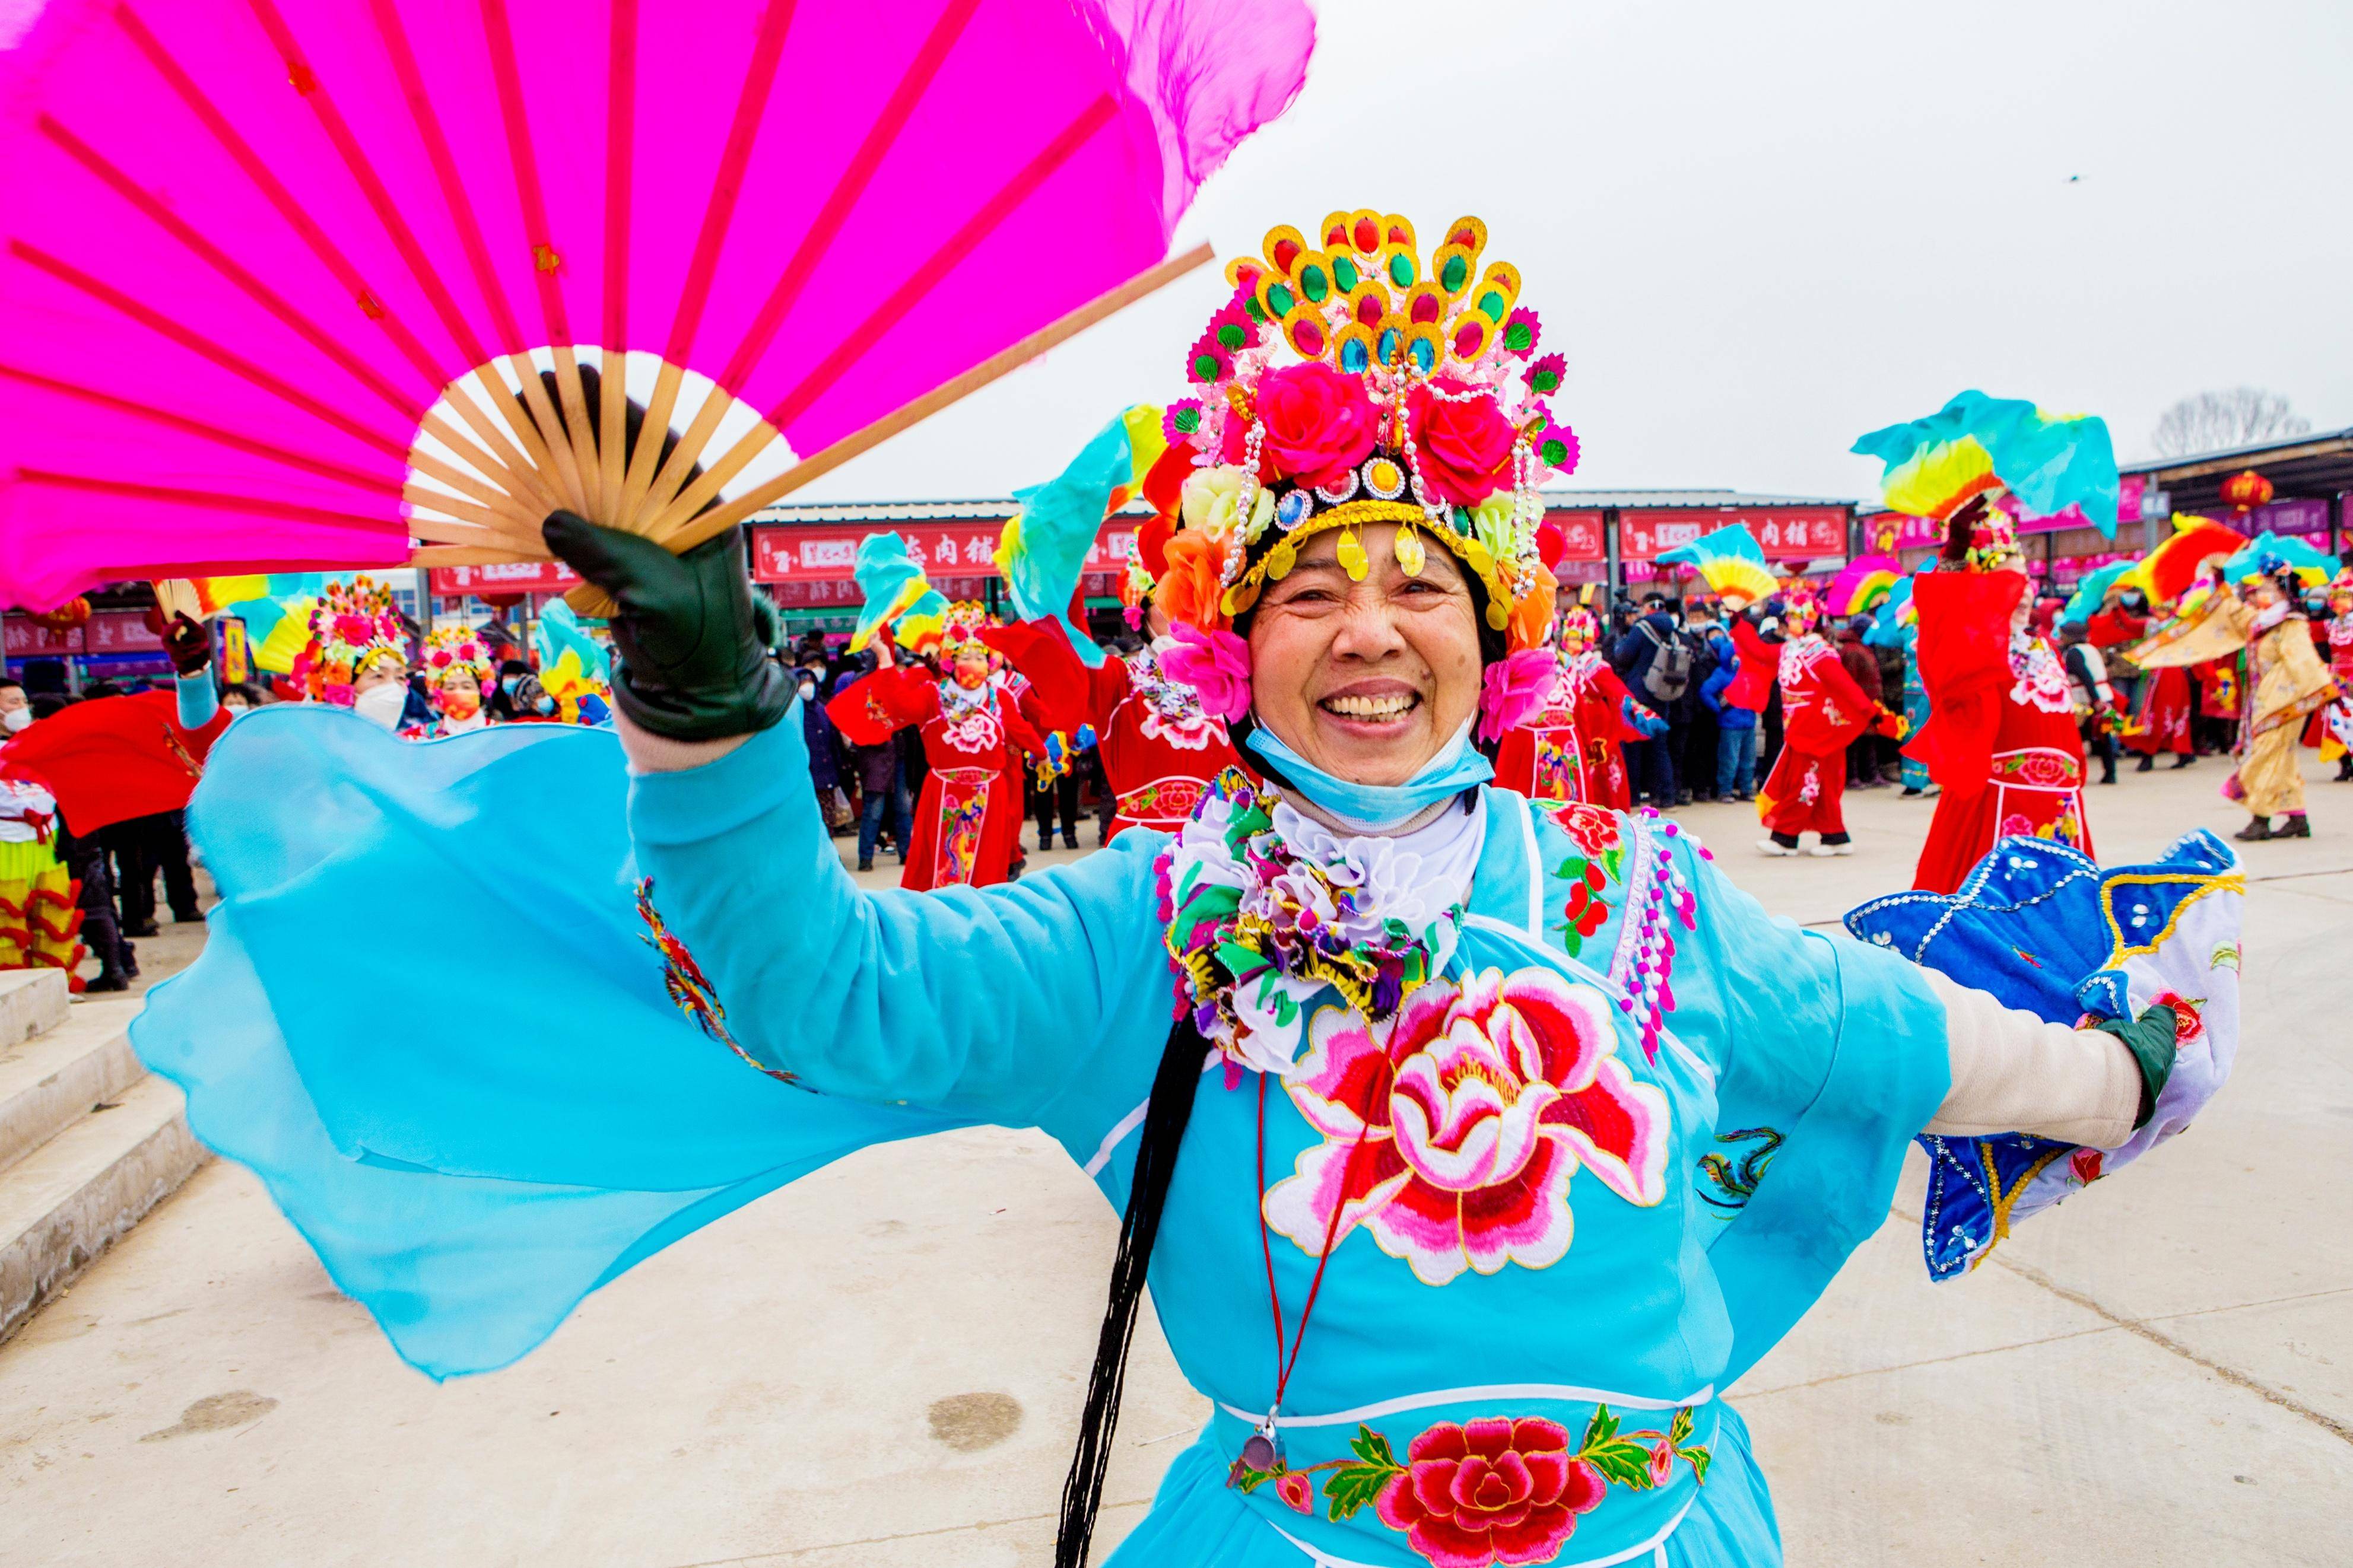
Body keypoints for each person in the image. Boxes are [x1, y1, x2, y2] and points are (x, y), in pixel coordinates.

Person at [136, 213, 2222, 1568]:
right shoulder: (1145, 917)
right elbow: (820, 991)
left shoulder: (1632, 891)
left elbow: (1898, 1037)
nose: (1373, 628)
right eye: (1310, 589)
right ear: (1231, 650)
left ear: (1495, 633)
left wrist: (2111, 1078)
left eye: (1423, 585)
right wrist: (705, 697)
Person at [1907, 499, 2095, 893]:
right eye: (2005, 583)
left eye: (2025, 580)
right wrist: (1955, 556)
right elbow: (1941, 619)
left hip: (2060, 802)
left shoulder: (2044, 644)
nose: (2022, 593)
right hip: (1998, 801)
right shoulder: (1973, 648)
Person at [827, 605, 1044, 890]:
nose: (974, 663)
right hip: (945, 792)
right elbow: (900, 705)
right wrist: (884, 658)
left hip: (990, 794)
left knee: (987, 865)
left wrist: (1042, 754)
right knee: (942, 865)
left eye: (981, 657)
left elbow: (1021, 730)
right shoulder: (934, 695)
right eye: (966, 656)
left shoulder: (1000, 698)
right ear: (951, 661)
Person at [2130, 551, 2338, 842]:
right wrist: (2219, 580)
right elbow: (2235, 613)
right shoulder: (2262, 621)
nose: (2259, 593)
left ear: (2282, 591)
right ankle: (2296, 817)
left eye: (2266, 588)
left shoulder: (2291, 624)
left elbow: (2302, 661)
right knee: (2282, 759)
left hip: (2284, 700)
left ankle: (2261, 818)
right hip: (2265, 700)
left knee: (2265, 758)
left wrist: (2323, 689)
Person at [1754, 590, 1894, 855]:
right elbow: (1760, 653)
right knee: (1823, 785)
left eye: (1796, 617)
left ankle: (1785, 837)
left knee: (1802, 783)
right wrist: (1738, 622)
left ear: (1810, 620)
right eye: (1790, 616)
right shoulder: (1790, 649)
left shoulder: (1821, 653)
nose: (1789, 622)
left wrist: (1872, 713)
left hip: (1818, 730)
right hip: (1800, 727)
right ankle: (1835, 836)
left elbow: (1847, 688)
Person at [1492, 606, 1654, 809]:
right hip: (1565, 726)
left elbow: (1614, 691)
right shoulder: (1561, 666)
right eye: (1570, 638)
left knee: (1596, 773)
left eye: (1578, 639)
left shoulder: (1590, 664)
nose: (1573, 644)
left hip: (1590, 723)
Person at [1611, 594, 1689, 807]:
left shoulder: (1642, 628)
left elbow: (1623, 657)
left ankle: (1633, 795)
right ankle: (1666, 796)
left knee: (1633, 745)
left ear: (1646, 608)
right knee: (1660, 747)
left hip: (1639, 694)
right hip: (1662, 694)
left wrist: (1620, 640)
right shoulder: (1671, 631)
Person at [1698, 618, 1758, 801]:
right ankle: (1725, 790)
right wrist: (1719, 709)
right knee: (1729, 760)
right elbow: (1706, 692)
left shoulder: (1748, 672)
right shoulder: (1722, 674)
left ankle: (1747, 789)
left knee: (1748, 761)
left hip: (1748, 722)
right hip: (1730, 724)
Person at [407, 626, 497, 739]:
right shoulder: (421, 736)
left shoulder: (501, 733)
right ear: (439, 693)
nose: (458, 692)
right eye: (450, 688)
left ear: (480, 690)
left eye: (466, 687)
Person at [2057, 622, 2119, 786]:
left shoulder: (2073, 653)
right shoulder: (2091, 649)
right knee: (2104, 735)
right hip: (2105, 696)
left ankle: (2075, 772)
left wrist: (2095, 700)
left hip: (2088, 700)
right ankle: (2110, 773)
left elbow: (2086, 677)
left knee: (2078, 736)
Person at [1836, 614, 1886, 789]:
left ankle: (1870, 773)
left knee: (1869, 739)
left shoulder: (1862, 648)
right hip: (1859, 702)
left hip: (1871, 701)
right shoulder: (1852, 650)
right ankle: (1853, 776)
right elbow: (1849, 679)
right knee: (1855, 740)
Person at [2318, 571, 2353, 783]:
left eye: (2346, 597)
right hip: (2337, 677)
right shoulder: (2329, 626)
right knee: (2336, 720)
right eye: (2338, 598)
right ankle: (2344, 764)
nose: (2341, 602)